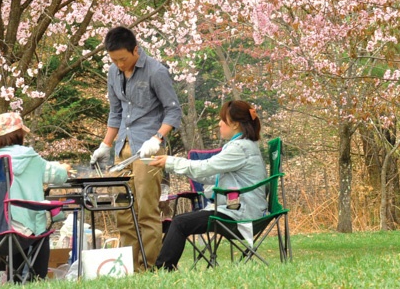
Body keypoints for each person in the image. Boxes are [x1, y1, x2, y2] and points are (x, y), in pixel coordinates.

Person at [89, 26, 182, 269]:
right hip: (122, 150)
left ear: (135, 50)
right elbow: (115, 111)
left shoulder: (156, 72)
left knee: (146, 210)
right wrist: (105, 145)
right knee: (123, 210)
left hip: (148, 150)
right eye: (114, 60)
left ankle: (149, 267)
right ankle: (130, 267)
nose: (119, 64)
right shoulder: (113, 72)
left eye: (123, 58)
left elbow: (173, 110)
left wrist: (158, 139)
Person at [149, 100, 268, 271]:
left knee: (180, 223)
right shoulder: (245, 145)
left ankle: (162, 270)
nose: (219, 123)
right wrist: (173, 165)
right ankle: (164, 267)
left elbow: (204, 168)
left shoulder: (239, 148)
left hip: (239, 214)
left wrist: (172, 162)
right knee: (181, 222)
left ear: (234, 124)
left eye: (222, 120)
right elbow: (210, 174)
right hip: (243, 209)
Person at [0, 111, 69, 280]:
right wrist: (63, 168)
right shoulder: (29, 156)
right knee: (39, 224)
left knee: (17, 221)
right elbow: (57, 176)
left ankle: (14, 278)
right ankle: (37, 278)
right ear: (18, 134)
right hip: (25, 230)